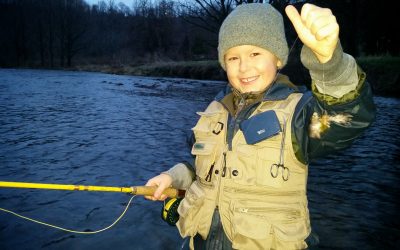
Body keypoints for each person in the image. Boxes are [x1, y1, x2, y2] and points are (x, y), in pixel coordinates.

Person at [145, 3, 375, 249]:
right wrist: (171, 177)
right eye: (233, 58)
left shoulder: (300, 116)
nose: (243, 67)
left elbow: (349, 116)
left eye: (255, 54)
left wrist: (330, 64)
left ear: (277, 58)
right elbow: (202, 170)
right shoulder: (214, 110)